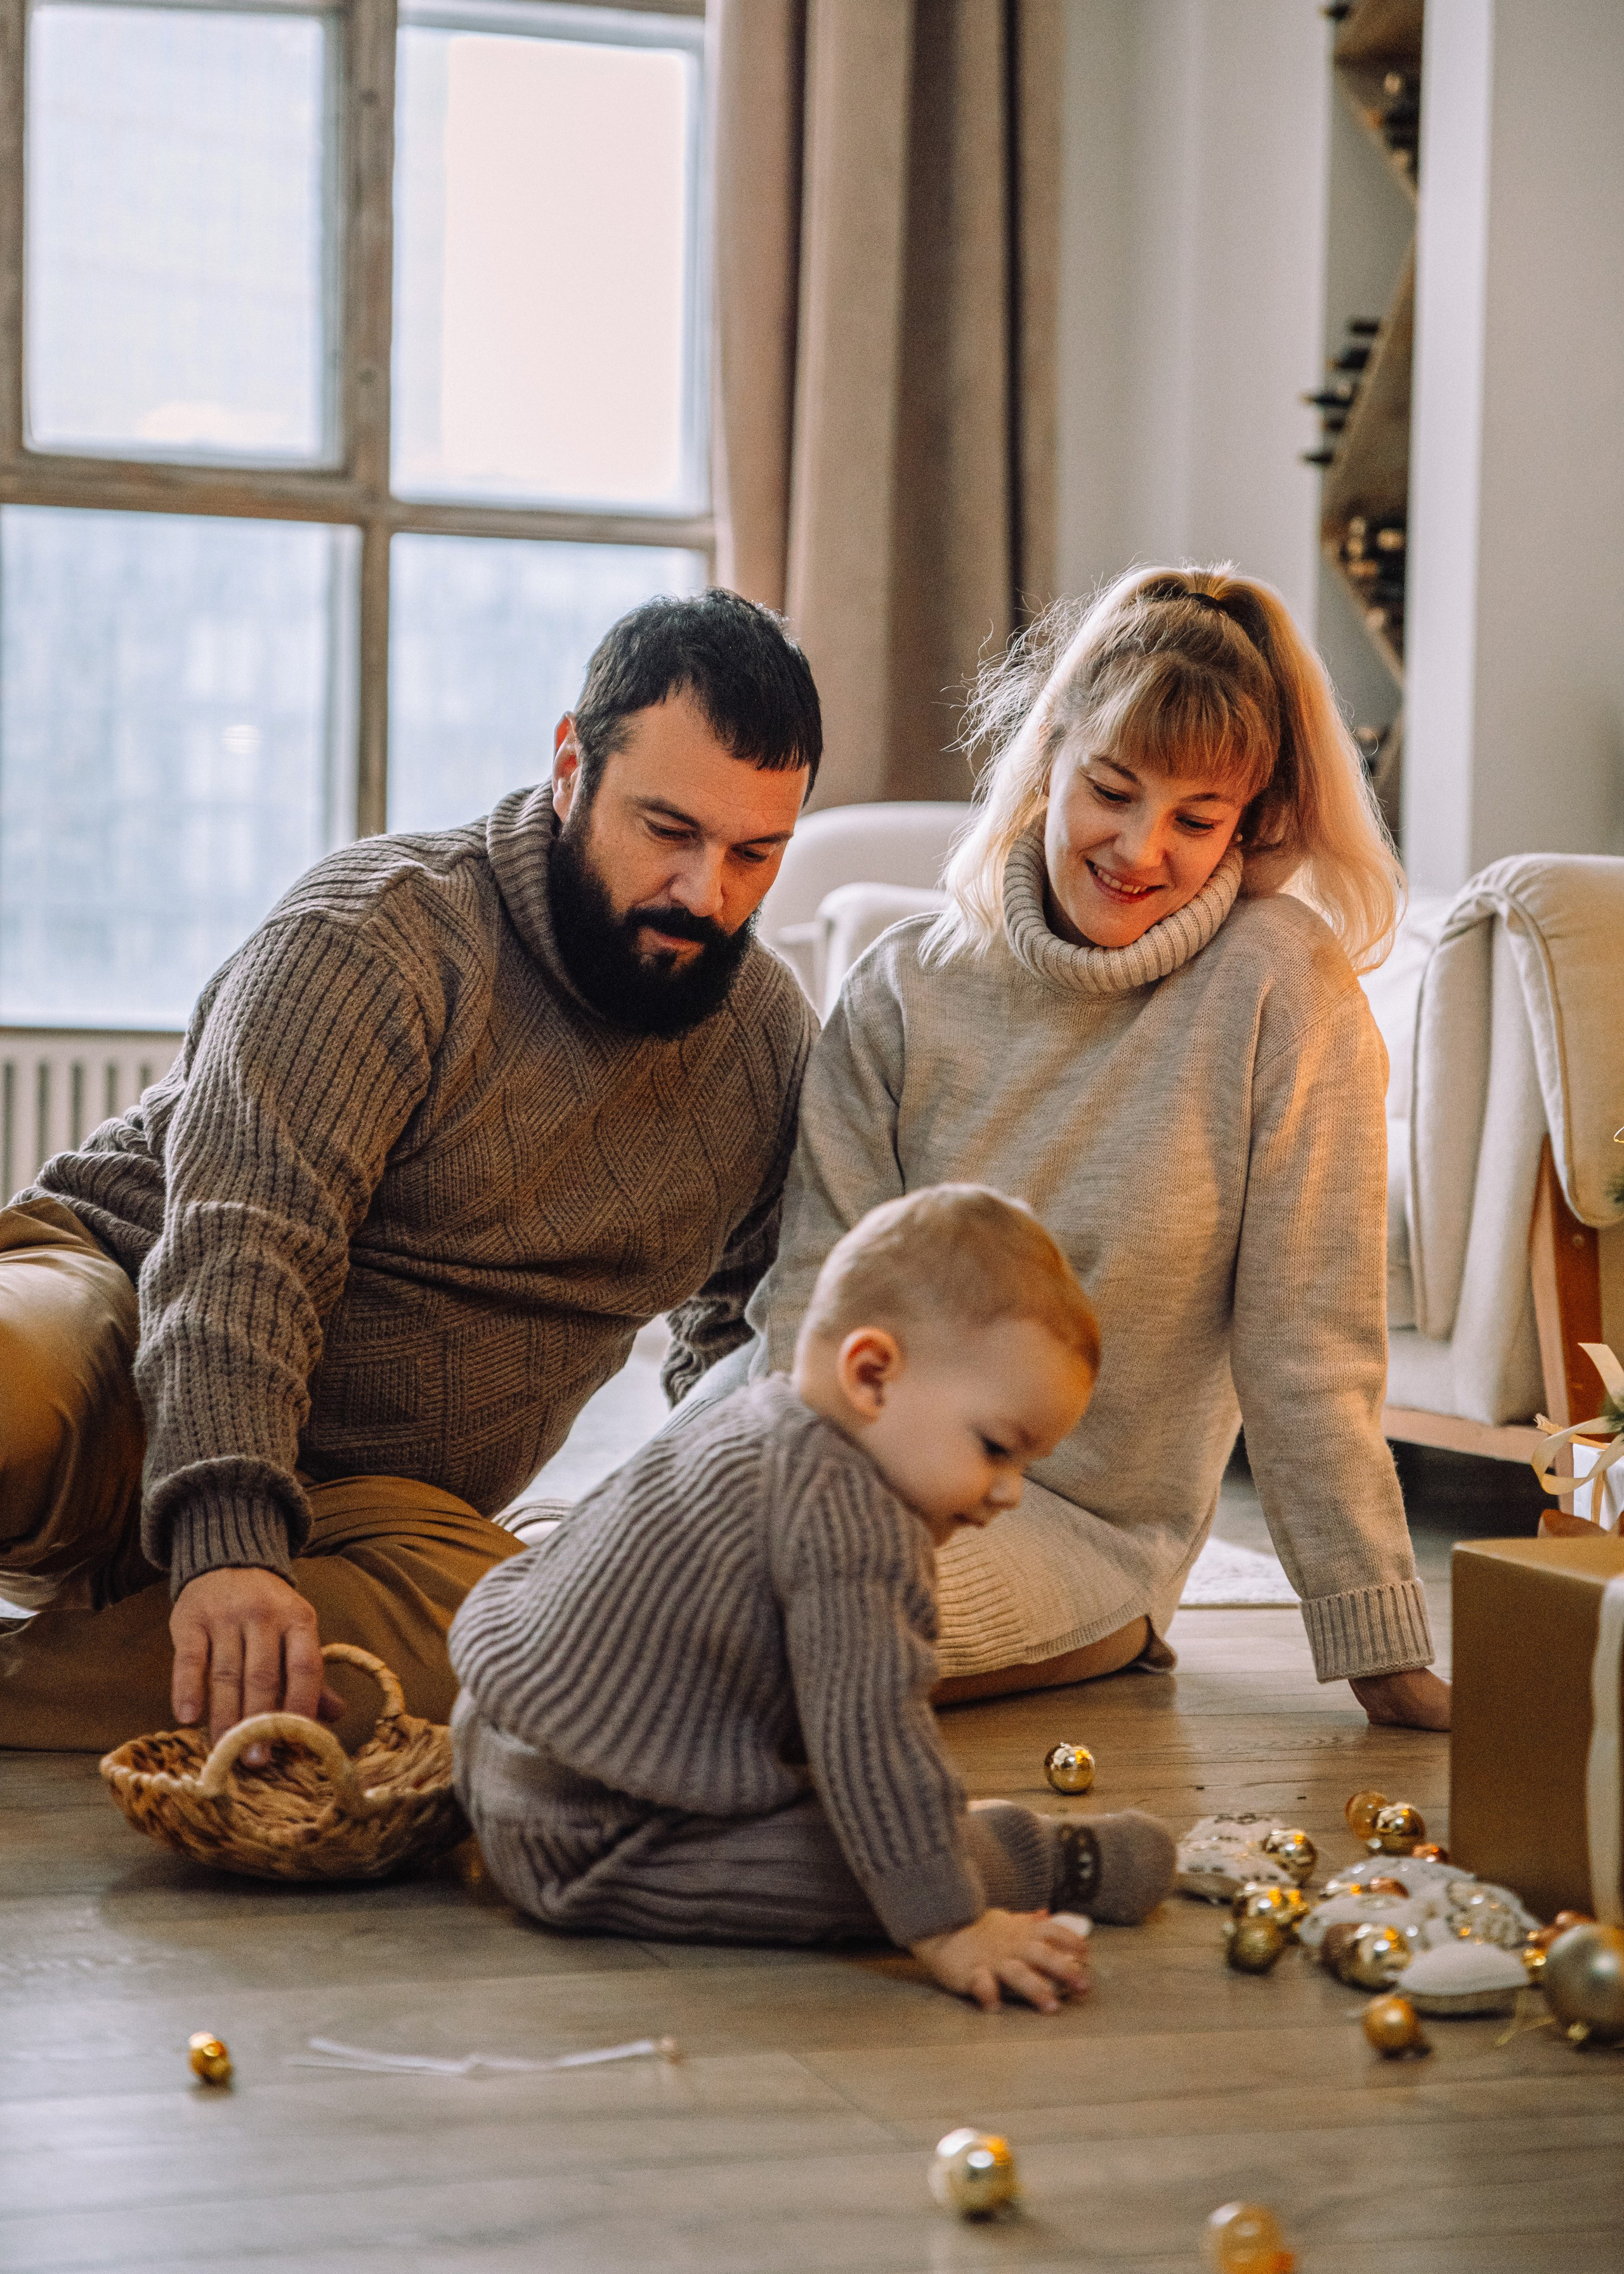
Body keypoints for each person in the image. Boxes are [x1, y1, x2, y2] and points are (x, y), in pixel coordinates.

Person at [0, 589, 821, 1752]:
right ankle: (200, 1604)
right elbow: (242, 1247)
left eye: (756, 853)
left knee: (529, 1655)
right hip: (127, 1333)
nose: (708, 894)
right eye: (669, 831)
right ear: (570, 766)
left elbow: (741, 1337)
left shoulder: (767, 1043)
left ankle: (76, 1667)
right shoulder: (378, 933)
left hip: (375, 1513)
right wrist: (229, 1533)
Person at [735, 565, 1450, 1732]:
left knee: (764, 1624)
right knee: (583, 1567)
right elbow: (815, 1291)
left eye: (1196, 819)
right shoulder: (902, 984)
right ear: (1048, 757)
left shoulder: (1284, 987)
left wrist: (1381, 1649)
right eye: (1111, 790)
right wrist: (766, 1482)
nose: (1139, 847)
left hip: (1069, 1530)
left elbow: (1307, 1348)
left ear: (1254, 820)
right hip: (837, 1455)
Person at [450, 1186, 1176, 2004]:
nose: (1009, 1492)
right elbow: (870, 1734)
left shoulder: (760, 1418)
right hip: (591, 1842)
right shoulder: (857, 1521)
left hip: (490, 1747)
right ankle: (1052, 1859)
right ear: (872, 1375)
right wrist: (949, 1928)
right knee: (888, 1861)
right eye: (997, 1449)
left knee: (884, 1825)